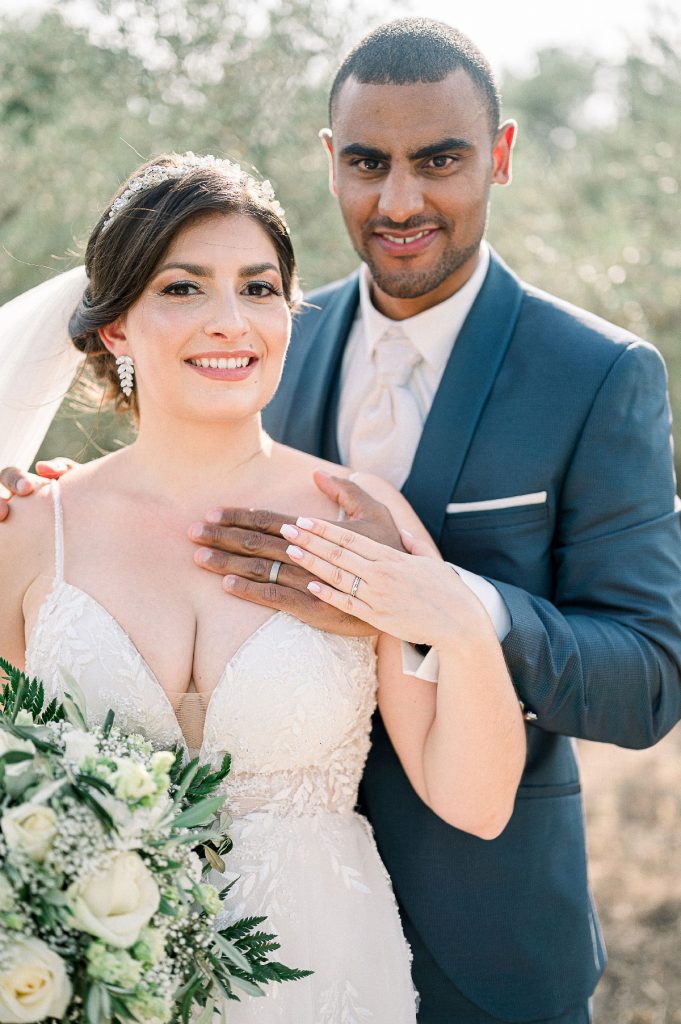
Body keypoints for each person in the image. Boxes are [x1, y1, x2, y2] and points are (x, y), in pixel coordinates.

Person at [3, 17, 681, 1024]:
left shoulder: (589, 382)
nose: (400, 198)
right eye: (369, 163)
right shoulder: (247, 357)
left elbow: (646, 675)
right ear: (331, 166)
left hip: (427, 940)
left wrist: (442, 603)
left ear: (497, 157)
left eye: (439, 159)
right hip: (112, 967)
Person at [0, 151, 527, 1022]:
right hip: (92, 981)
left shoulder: (357, 515)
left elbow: (472, 803)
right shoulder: (30, 530)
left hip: (324, 976)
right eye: (182, 288)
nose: (229, 321)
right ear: (115, 327)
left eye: (258, 287)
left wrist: (457, 622)